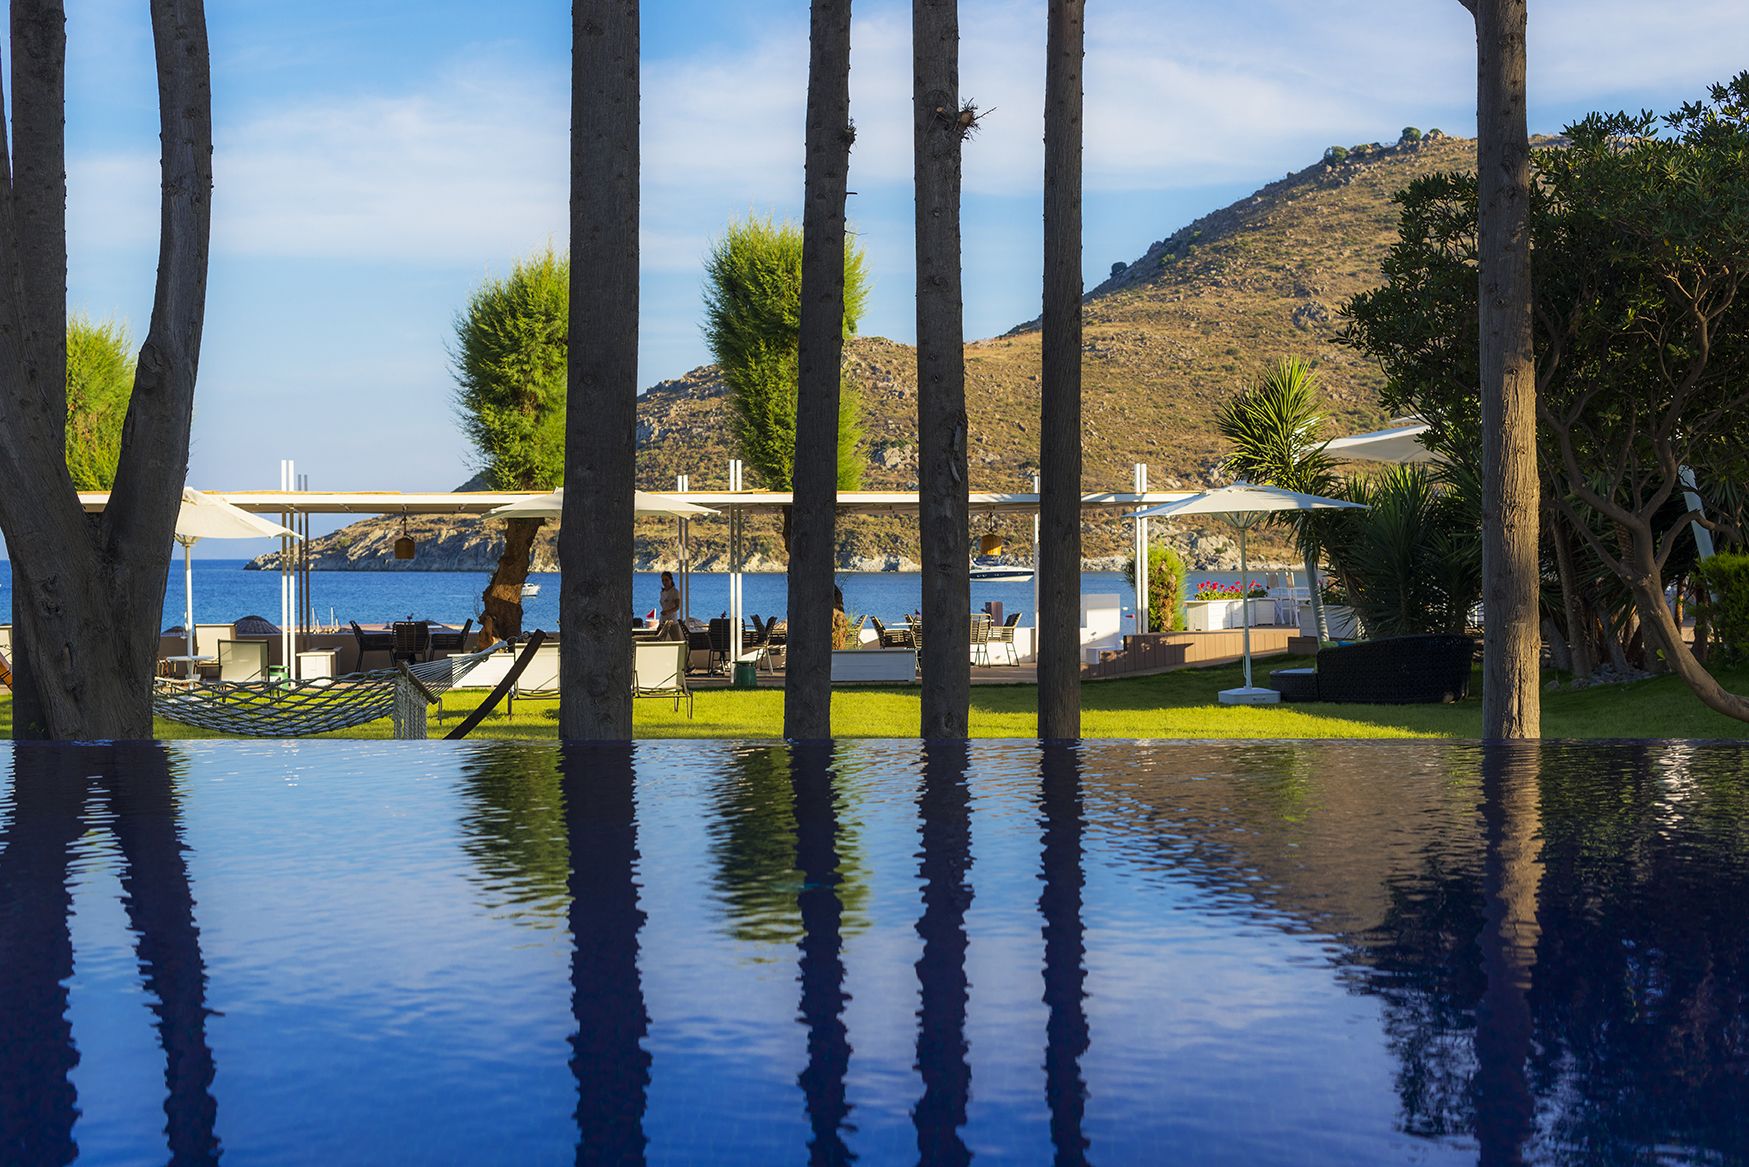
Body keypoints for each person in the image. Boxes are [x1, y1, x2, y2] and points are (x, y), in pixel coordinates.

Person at [657, 571, 682, 639]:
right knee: (658, 639)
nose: (664, 582)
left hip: (672, 621)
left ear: (671, 580)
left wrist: (667, 612)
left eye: (666, 580)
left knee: (677, 641)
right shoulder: (662, 592)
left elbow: (677, 607)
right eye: (663, 580)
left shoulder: (675, 592)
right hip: (663, 620)